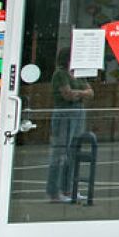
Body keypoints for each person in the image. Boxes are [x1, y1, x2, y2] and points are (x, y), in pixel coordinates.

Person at [48, 47, 93, 203]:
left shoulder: (78, 74)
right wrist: (81, 94)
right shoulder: (60, 74)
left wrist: (78, 94)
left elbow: (90, 92)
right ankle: (55, 191)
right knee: (60, 152)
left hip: (78, 112)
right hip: (65, 113)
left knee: (73, 152)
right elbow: (67, 95)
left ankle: (69, 189)